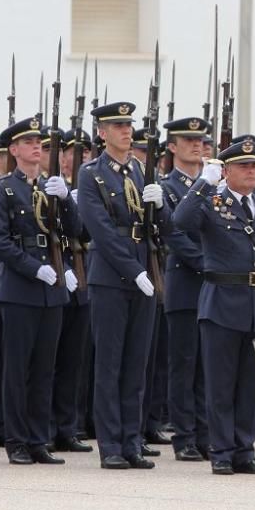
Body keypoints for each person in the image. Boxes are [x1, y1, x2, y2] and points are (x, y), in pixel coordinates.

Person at [173, 136, 255, 475]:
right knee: (221, 384)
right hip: (222, 303)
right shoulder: (212, 202)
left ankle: (244, 449)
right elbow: (181, 220)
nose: (252, 170)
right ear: (226, 170)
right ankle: (221, 450)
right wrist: (202, 184)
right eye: (244, 166)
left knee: (251, 385)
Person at [78, 101, 170, 470]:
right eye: (117, 126)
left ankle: (132, 441)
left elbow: (163, 227)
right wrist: (134, 271)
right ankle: (111, 445)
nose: (126, 131)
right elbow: (99, 229)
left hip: (144, 271)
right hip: (112, 277)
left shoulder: (139, 171)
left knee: (137, 363)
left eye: (128, 125)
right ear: (102, 132)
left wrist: (160, 205)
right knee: (110, 364)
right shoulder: (91, 174)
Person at [0, 116, 80, 465]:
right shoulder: (5, 189)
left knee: (45, 367)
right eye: (28, 142)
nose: (35, 147)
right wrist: (35, 268)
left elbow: (75, 233)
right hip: (21, 289)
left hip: (51, 290)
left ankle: (39, 439)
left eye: (38, 141)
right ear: (13, 150)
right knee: (18, 368)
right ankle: (16, 440)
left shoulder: (50, 187)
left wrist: (67, 199)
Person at [158, 117, 210, 462]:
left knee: (208, 365)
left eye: (200, 140)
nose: (196, 145)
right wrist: (211, 262)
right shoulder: (166, 188)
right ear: (172, 147)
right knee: (184, 364)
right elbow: (172, 233)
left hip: (213, 287)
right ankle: (185, 436)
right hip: (185, 282)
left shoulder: (213, 186)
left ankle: (206, 434)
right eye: (188, 140)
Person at [52, 128, 94, 454]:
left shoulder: (91, 191)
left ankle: (68, 426)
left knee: (73, 360)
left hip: (83, 278)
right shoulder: (47, 188)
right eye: (72, 152)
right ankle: (47, 426)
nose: (78, 158)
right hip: (55, 274)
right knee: (48, 358)